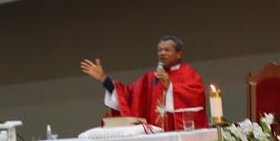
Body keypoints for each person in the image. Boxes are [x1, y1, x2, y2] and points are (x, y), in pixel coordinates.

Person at [79, 36, 208, 130]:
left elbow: (196, 98)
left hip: (178, 134)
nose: (162, 53)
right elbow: (127, 95)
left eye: (167, 50)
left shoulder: (188, 73)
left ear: (179, 54)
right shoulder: (150, 78)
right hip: (154, 137)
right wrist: (104, 79)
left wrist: (171, 86)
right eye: (159, 50)